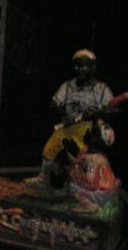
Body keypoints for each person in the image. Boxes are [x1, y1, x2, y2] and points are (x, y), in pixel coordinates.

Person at [29, 48, 118, 188]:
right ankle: (43, 177)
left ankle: (84, 185)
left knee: (81, 160)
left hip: (86, 132)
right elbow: (54, 104)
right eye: (76, 67)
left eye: (83, 67)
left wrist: (99, 113)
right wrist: (61, 113)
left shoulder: (101, 89)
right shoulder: (67, 86)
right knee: (48, 151)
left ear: (92, 67)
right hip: (67, 127)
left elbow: (113, 110)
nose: (80, 70)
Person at [65, 119, 120, 212]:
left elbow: (90, 179)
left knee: (71, 186)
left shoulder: (93, 158)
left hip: (102, 193)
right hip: (107, 191)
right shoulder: (98, 156)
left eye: (92, 134)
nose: (88, 133)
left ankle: (90, 206)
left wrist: (78, 175)